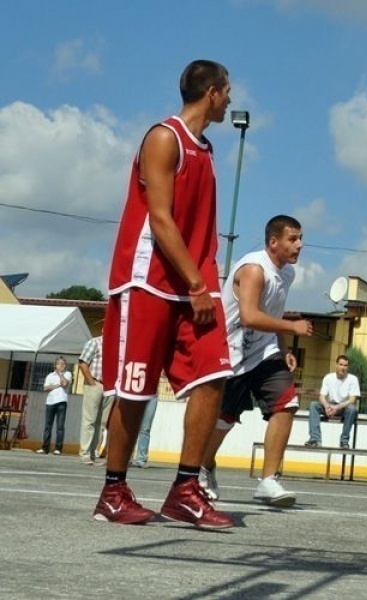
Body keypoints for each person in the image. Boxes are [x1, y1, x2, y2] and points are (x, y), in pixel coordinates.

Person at [94, 60, 235, 529]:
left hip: (194, 285)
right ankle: (113, 490)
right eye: (227, 91)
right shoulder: (163, 137)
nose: (231, 99)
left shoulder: (207, 149)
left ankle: (185, 490)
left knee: (215, 375)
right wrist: (196, 283)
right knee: (135, 390)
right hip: (149, 281)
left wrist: (202, 283)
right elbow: (160, 218)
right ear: (212, 92)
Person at [198, 215, 313, 507]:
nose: (299, 245)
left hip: (264, 351)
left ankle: (268, 480)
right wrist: (293, 327)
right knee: (225, 420)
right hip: (233, 352)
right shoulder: (253, 269)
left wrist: (284, 346)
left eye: (300, 239)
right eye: (292, 239)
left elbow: (273, 311)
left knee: (286, 403)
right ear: (273, 241)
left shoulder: (286, 273)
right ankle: (203, 466)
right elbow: (249, 315)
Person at [305, 355, 360, 449]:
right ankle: (315, 439)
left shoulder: (353, 379)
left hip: (344, 407)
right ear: (336, 365)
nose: (343, 367)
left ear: (348, 367)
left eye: (345, 365)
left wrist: (337, 407)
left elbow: (352, 400)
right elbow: (322, 396)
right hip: (330, 406)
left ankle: (344, 441)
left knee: (352, 409)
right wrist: (326, 406)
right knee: (313, 405)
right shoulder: (328, 377)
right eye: (341, 364)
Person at [78, 335, 112, 465]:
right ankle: (85, 453)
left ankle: (93, 453)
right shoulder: (95, 342)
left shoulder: (118, 345)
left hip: (110, 386)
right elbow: (83, 362)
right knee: (90, 420)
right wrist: (91, 383)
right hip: (95, 383)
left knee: (102, 423)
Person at [38, 357, 71, 455]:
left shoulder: (67, 374)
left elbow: (64, 383)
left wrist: (60, 374)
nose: (62, 366)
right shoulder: (50, 375)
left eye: (64, 364)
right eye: (60, 364)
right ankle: (45, 448)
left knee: (60, 426)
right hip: (50, 402)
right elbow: (45, 388)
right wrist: (57, 385)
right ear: (55, 365)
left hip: (61, 401)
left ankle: (58, 448)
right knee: (48, 426)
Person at [130, 396, 157, 469]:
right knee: (131, 428)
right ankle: (127, 458)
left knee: (145, 429)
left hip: (151, 396)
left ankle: (141, 459)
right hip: (135, 395)